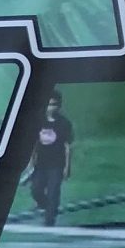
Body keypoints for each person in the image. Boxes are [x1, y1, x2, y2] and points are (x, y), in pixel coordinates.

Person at [28, 91, 73, 226]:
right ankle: (45, 206)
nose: (51, 108)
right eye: (48, 104)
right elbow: (33, 143)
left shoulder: (64, 123)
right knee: (36, 190)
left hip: (57, 164)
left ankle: (49, 220)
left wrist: (67, 167)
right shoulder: (39, 122)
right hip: (41, 164)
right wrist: (31, 160)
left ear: (59, 106)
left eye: (54, 104)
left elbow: (67, 146)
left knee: (53, 192)